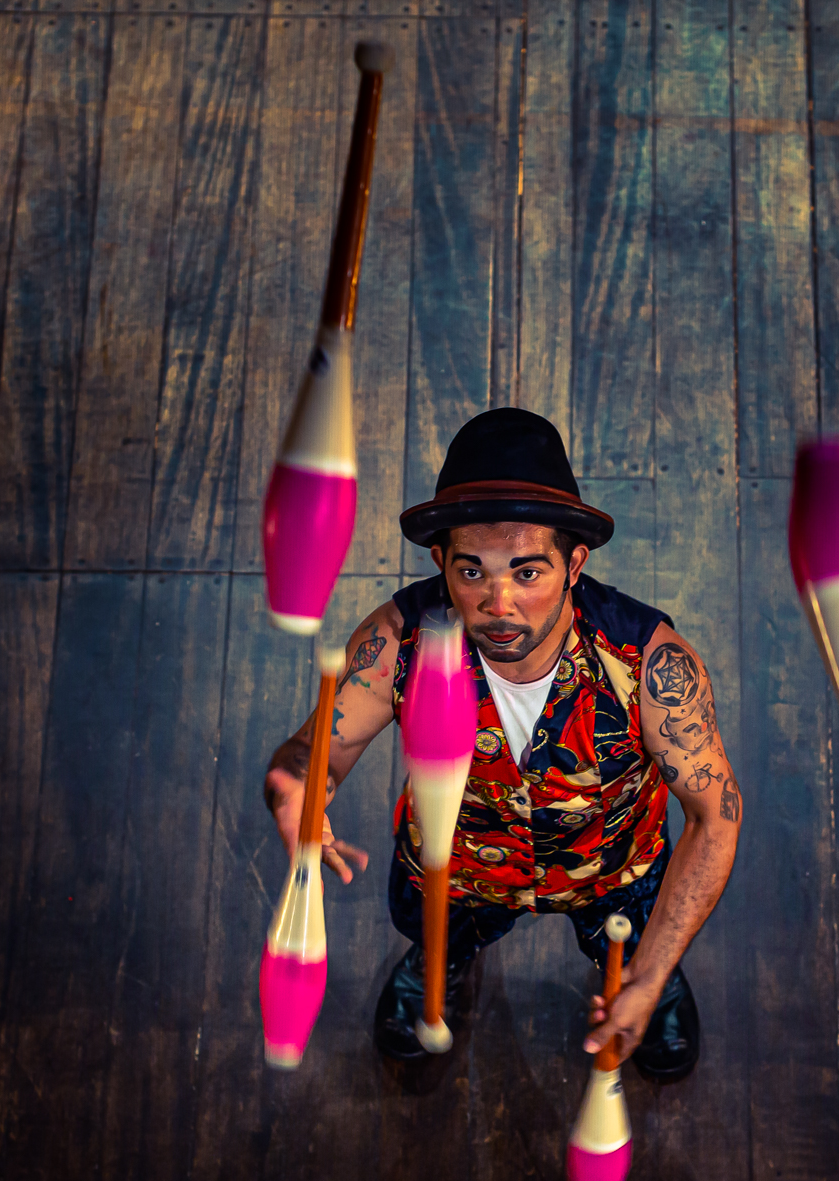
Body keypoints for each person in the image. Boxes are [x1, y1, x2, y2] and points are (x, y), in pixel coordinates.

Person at [263, 407, 742, 1079]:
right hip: (454, 871)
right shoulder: (398, 642)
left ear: (574, 562)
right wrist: (292, 793)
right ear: (440, 562)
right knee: (435, 934)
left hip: (613, 871)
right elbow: (310, 756)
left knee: (634, 950)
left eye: (526, 572)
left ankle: (644, 981)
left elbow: (716, 816)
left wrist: (651, 974)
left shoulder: (647, 661)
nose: (497, 602)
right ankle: (441, 961)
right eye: (471, 571)